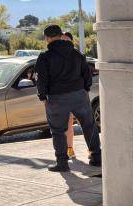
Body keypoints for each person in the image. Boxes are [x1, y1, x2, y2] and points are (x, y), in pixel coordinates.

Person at [35, 24, 101, 172]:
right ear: (60, 35)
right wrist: (84, 90)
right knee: (89, 125)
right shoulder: (76, 53)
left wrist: (43, 97)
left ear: (46, 38)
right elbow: (87, 75)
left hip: (57, 98)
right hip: (79, 95)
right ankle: (97, 158)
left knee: (58, 130)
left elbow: (41, 80)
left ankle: (62, 163)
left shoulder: (45, 57)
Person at [62, 31, 76, 159]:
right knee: (67, 124)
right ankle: (68, 149)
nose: (64, 43)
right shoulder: (58, 57)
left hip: (77, 95)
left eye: (67, 40)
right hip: (63, 96)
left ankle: (93, 150)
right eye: (62, 40)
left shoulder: (76, 56)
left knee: (85, 124)